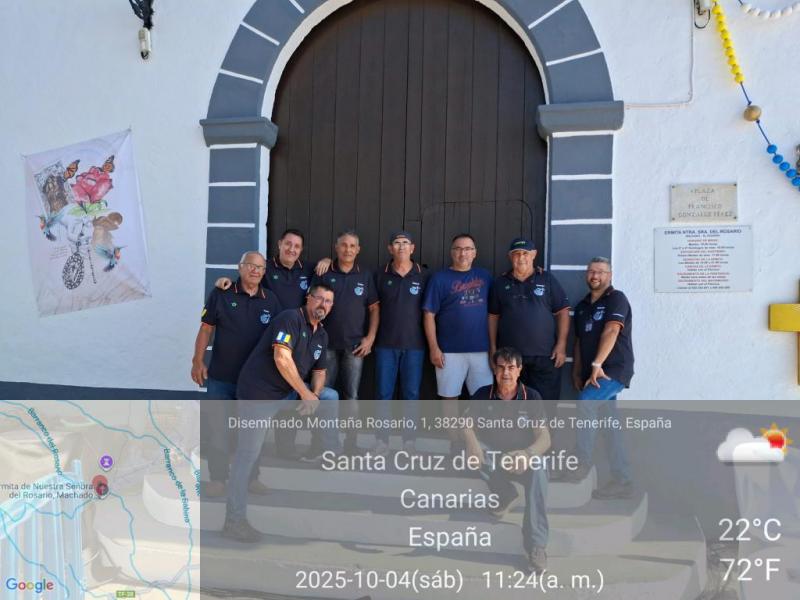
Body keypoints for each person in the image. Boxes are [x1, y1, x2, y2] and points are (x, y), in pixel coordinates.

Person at [223, 283, 341, 543]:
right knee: (247, 457)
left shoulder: (321, 334)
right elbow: (281, 358)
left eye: (328, 301)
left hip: (285, 394)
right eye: (319, 298)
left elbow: (320, 372)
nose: (322, 304)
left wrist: (314, 396)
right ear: (308, 299)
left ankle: (331, 451)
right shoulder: (289, 319)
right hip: (258, 395)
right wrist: (304, 393)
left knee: (329, 396)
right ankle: (233, 521)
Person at [191, 251, 281, 497]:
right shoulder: (221, 293)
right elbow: (206, 329)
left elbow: (278, 340)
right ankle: (218, 479)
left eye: (260, 267)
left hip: (255, 384)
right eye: (250, 265)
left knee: (252, 432)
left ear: (264, 272)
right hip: (221, 378)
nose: (255, 270)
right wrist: (197, 360)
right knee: (218, 431)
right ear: (240, 268)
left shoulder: (271, 301)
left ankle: (252, 478)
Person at [463, 347, 550, 574]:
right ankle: (505, 492)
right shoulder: (483, 394)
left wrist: (527, 454)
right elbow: (466, 424)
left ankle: (537, 546)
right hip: (494, 457)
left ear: (519, 370)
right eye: (501, 367)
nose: (506, 373)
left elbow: (545, 438)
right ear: (494, 369)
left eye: (511, 367)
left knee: (540, 469)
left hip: (522, 458)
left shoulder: (531, 396)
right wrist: (472, 443)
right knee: (469, 453)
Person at [568, 256, 634, 499]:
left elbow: (612, 330)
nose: (595, 276)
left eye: (601, 272)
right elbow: (578, 341)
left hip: (613, 370)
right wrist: (577, 371)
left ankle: (581, 463)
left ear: (610, 275)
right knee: (610, 427)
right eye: (591, 271)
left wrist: (597, 365)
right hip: (592, 373)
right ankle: (623, 481)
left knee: (586, 403)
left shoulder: (617, 298)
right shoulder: (582, 306)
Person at [422, 233, 493, 449]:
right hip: (449, 351)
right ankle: (455, 443)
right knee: (449, 397)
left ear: (475, 253)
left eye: (468, 249)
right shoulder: (440, 279)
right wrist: (434, 348)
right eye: (458, 249)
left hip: (481, 350)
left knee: (483, 398)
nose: (463, 253)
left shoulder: (486, 277)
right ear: (452, 252)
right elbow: (429, 315)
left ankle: (478, 443)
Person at [312, 230, 379, 453]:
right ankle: (320, 444)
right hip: (326, 345)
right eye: (343, 245)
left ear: (358, 250)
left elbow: (374, 308)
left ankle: (351, 444)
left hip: (355, 346)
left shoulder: (365, 275)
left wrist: (370, 338)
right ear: (336, 247)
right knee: (323, 393)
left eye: (352, 246)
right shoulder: (324, 271)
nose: (347, 249)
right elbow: (311, 304)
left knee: (352, 396)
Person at [488, 238, 569, 419]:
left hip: (545, 356)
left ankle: (546, 437)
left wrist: (562, 344)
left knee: (546, 406)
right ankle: (512, 437)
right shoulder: (500, 283)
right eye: (516, 254)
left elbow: (563, 312)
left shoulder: (547, 279)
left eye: (525, 253)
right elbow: (493, 317)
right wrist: (492, 348)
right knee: (511, 406)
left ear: (533, 255)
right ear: (510, 257)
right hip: (510, 360)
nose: (521, 258)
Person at [373, 231, 429, 455]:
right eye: (397, 243)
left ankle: (409, 442)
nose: (402, 246)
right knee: (383, 394)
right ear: (390, 248)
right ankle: (382, 441)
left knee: (411, 394)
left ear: (412, 248)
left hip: (415, 345)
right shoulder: (380, 274)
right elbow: (373, 309)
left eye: (406, 243)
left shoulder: (424, 275)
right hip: (385, 344)